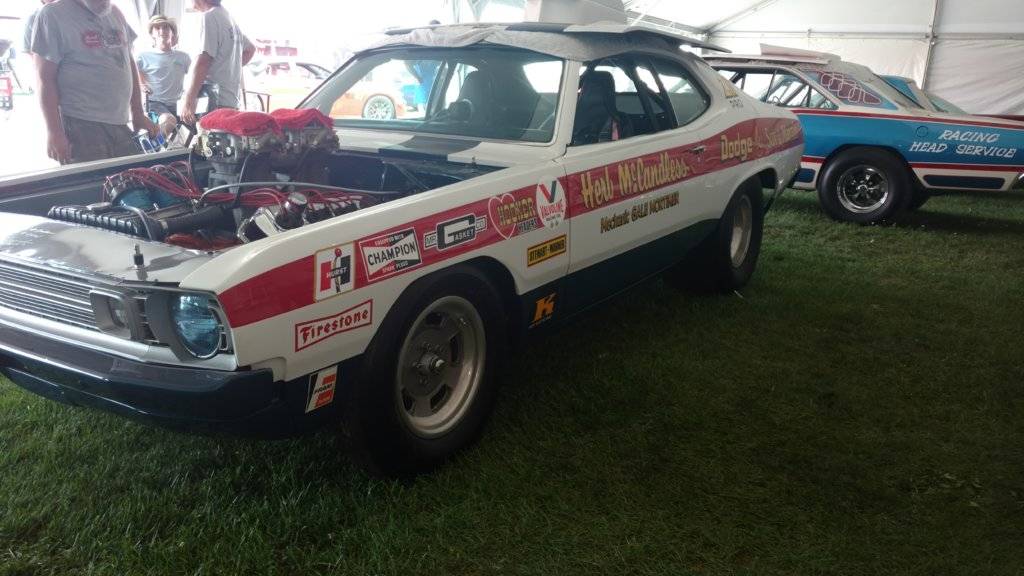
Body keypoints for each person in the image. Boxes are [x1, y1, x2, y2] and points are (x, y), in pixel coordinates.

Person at [31, 0, 157, 165]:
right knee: (94, 180)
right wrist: (54, 132)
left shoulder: (115, 12)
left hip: (120, 121)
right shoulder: (52, 15)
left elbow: (129, 61)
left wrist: (138, 113)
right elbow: (44, 79)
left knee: (130, 178)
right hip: (81, 124)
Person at [181, 0, 255, 125]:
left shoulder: (209, 16)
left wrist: (189, 100)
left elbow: (204, 61)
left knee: (205, 137)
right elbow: (250, 49)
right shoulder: (228, 17)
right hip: (230, 99)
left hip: (213, 100)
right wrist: (228, 68)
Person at [136, 15, 191, 117]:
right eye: (157, 28)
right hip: (154, 103)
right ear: (152, 33)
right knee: (168, 120)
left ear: (172, 32)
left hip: (178, 104)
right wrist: (142, 84)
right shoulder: (143, 56)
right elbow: (132, 72)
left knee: (194, 124)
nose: (161, 31)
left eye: (165, 27)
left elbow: (194, 77)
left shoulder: (183, 57)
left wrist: (189, 99)